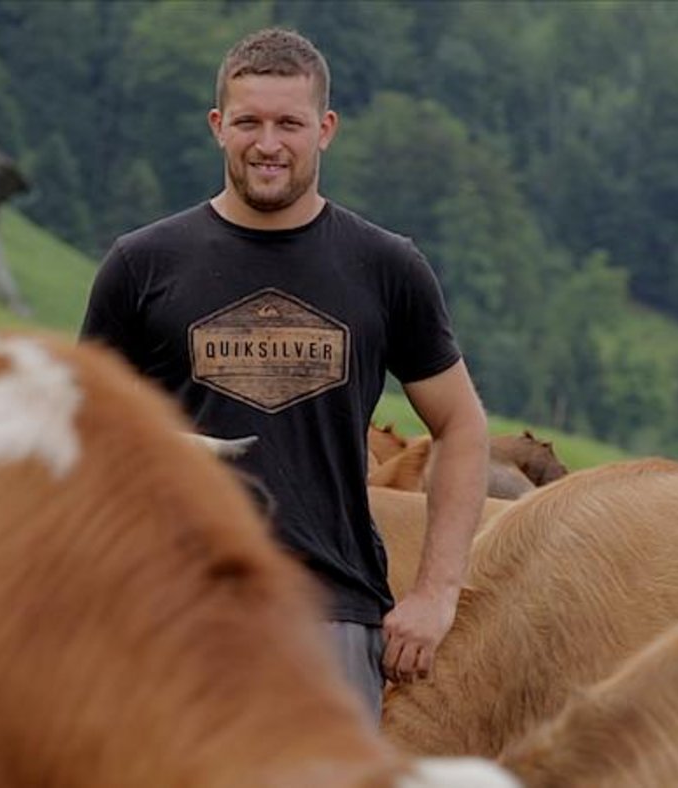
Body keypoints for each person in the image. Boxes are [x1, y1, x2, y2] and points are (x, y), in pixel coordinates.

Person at [79, 27, 487, 721]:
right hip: (169, 614)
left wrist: (436, 595)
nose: (268, 143)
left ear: (325, 129)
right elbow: (78, 433)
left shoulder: (386, 267)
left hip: (329, 618)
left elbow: (462, 427)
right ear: (218, 127)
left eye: (289, 123)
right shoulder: (142, 264)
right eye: (249, 122)